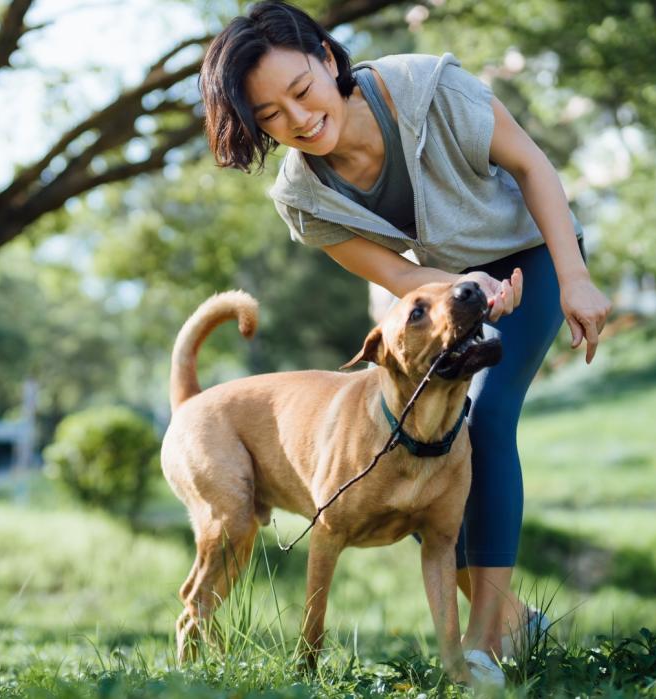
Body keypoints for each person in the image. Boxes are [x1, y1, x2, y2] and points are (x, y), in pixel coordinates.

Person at [200, 1, 612, 684]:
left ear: (329, 60)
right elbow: (397, 276)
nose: (299, 121)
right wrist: (464, 291)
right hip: (433, 298)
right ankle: (515, 622)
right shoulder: (302, 197)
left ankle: (484, 642)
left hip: (532, 254)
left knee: (483, 417)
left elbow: (535, 167)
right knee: (415, 451)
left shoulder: (430, 89)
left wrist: (573, 275)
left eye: (301, 91)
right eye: (270, 116)